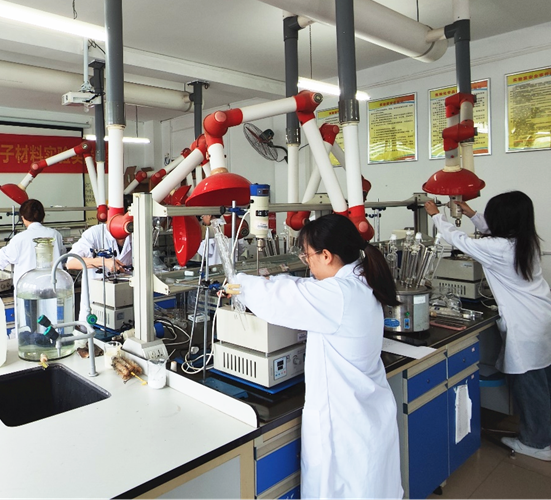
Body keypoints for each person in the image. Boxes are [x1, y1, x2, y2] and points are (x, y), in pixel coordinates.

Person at [226, 214, 403, 500]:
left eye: (308, 256)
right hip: (367, 415)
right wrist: (270, 279)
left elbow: (283, 297)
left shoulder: (339, 294)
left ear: (327, 255)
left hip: (345, 427)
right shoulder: (360, 281)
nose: (308, 264)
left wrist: (239, 283)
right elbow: (298, 289)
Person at [425, 192, 551, 461]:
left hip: (524, 323)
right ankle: (543, 433)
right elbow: (491, 232)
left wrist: (436, 215)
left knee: (529, 385)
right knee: (542, 380)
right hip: (541, 315)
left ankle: (537, 443)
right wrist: (472, 215)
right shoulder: (526, 240)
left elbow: (457, 239)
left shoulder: (498, 248)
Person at [0, 198, 65, 298]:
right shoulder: (55, 234)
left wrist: (4, 250)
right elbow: (62, 255)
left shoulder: (19, 238)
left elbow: (0, 262)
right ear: (43, 216)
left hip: (28, 291)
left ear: (22, 218)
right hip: (54, 288)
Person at [67, 222, 132, 322]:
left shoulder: (136, 234)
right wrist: (103, 262)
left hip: (128, 302)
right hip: (94, 305)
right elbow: (71, 262)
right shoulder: (95, 233)